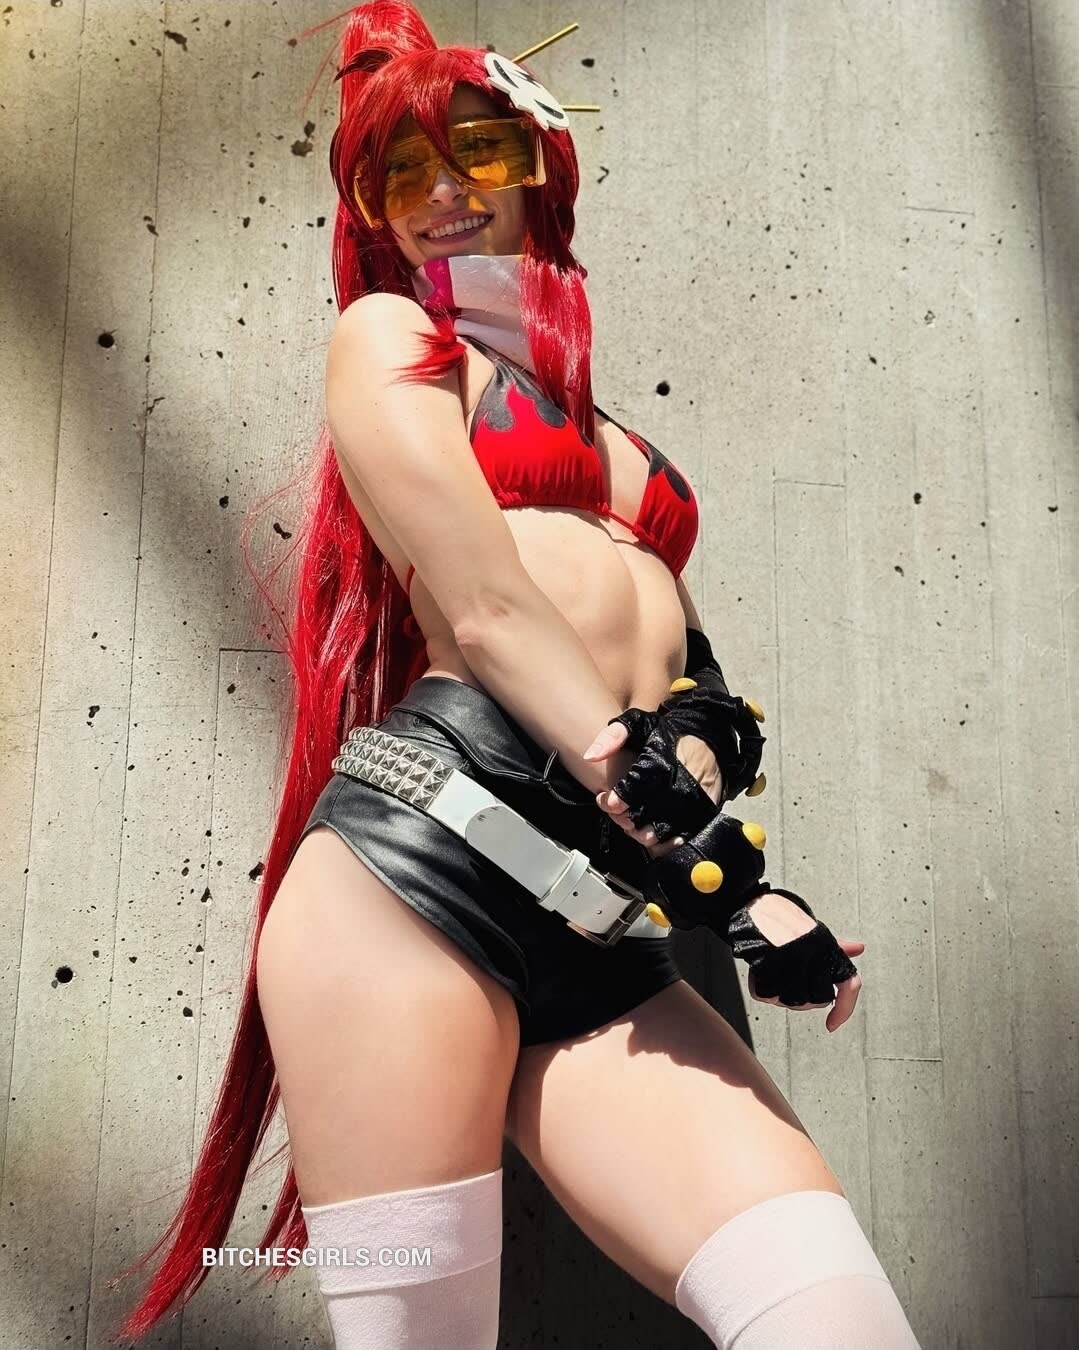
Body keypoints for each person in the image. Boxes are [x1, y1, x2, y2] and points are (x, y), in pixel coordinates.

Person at [110, 5, 922, 1347]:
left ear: (541, 166)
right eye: (402, 173)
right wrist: (719, 874)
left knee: (831, 1317)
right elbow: (487, 611)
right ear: (371, 212)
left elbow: (695, 687)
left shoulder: (607, 432)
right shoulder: (390, 341)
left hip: (595, 918)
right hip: (414, 886)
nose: (442, 194)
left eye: (478, 153)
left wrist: (710, 791)